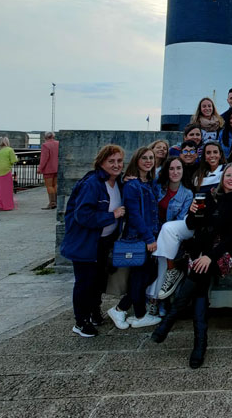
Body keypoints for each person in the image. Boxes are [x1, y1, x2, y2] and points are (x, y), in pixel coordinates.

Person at [151, 164, 232, 368]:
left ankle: (169, 323)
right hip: (200, 251)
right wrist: (191, 212)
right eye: (228, 175)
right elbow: (192, 226)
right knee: (199, 288)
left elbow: (231, 239)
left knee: (199, 273)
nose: (231, 179)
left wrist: (209, 257)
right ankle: (198, 345)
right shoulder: (210, 198)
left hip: (222, 254)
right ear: (223, 179)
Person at [59, 144, 125, 337]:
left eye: (119, 161)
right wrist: (111, 215)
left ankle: (94, 312)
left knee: (98, 281)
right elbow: (82, 214)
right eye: (111, 161)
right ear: (101, 162)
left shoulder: (118, 183)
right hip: (86, 242)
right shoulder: (92, 183)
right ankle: (80, 321)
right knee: (84, 283)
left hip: (103, 242)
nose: (116, 165)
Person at [107, 147, 161, 329]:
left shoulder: (149, 182)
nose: (148, 161)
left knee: (146, 273)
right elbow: (135, 215)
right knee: (141, 274)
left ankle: (131, 311)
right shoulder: (132, 185)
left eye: (151, 158)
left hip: (150, 233)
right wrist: (148, 238)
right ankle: (127, 311)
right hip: (139, 236)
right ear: (137, 160)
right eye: (144, 157)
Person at [149, 157, 194, 315]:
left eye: (178, 168)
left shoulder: (187, 194)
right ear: (166, 171)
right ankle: (160, 300)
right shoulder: (158, 187)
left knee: (162, 259)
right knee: (158, 260)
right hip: (155, 231)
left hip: (170, 234)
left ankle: (157, 300)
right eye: (172, 168)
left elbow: (179, 221)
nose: (175, 172)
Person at [0, 136, 18, 211]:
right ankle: (5, 205)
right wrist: (16, 158)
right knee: (5, 189)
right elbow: (13, 160)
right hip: (4, 171)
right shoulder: (9, 150)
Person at [38, 131, 59, 210]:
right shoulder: (58, 144)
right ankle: (57, 202)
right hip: (57, 168)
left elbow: (44, 158)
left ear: (45, 137)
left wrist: (40, 168)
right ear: (53, 136)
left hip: (48, 168)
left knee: (49, 186)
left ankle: (52, 202)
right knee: (56, 185)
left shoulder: (45, 145)